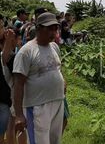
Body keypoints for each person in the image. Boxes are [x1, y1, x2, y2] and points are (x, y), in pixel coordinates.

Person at [13, 12, 65, 144]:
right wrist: (19, 115)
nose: (54, 32)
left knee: (54, 141)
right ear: (38, 28)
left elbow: (58, 68)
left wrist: (63, 82)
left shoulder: (54, 47)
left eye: (55, 28)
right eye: (50, 28)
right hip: (37, 107)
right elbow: (18, 84)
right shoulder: (26, 51)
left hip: (58, 102)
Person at [1, 28, 27, 144]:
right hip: (15, 97)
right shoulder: (12, 57)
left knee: (11, 126)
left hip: (11, 97)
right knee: (17, 127)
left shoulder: (13, 56)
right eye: (19, 38)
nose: (20, 41)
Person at [0, 15, 12, 144]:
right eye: (1, 26)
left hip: (3, 99)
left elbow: (4, 59)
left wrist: (8, 41)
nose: (3, 29)